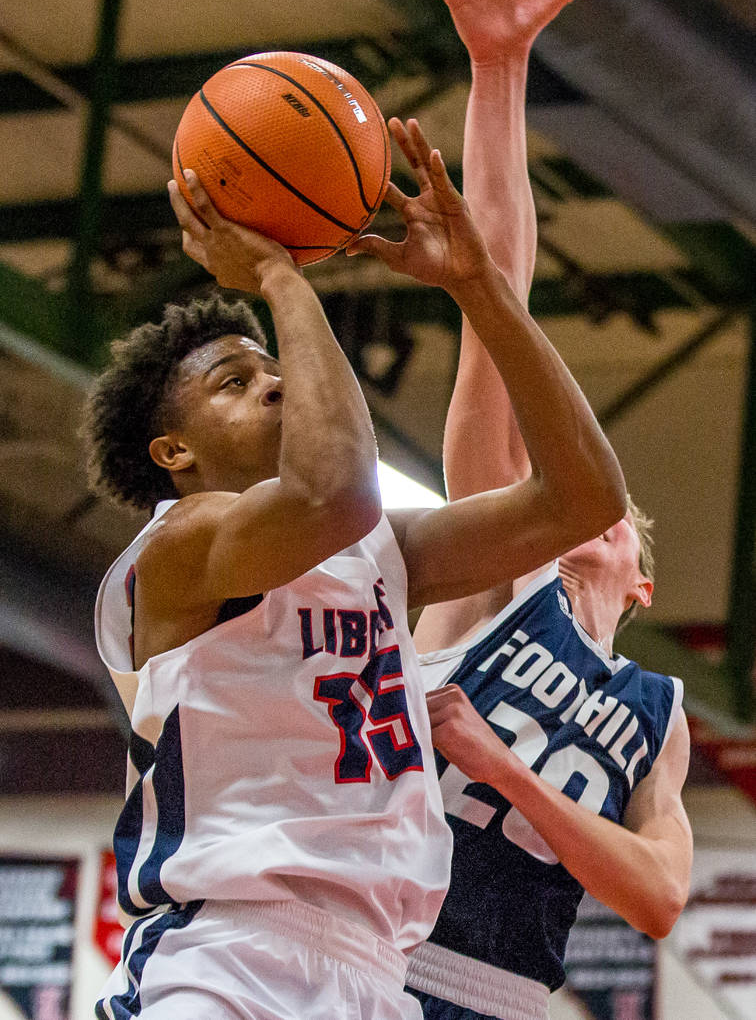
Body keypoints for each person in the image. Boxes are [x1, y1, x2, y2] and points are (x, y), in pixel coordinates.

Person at [83, 114, 626, 1020]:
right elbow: (336, 491)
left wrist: (478, 286)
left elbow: (583, 500)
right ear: (173, 450)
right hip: (225, 961)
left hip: (377, 976)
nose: (279, 381)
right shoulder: (176, 552)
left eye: (272, 366)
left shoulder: (379, 551)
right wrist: (275, 274)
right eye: (235, 382)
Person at [379, 0, 693, 1020]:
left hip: (501, 997)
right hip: (374, 959)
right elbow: (491, 305)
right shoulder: (497, 585)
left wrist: (497, 767)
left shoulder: (659, 717)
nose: (577, 507)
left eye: (609, 514)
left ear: (639, 582)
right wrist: (499, 69)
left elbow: (656, 895)